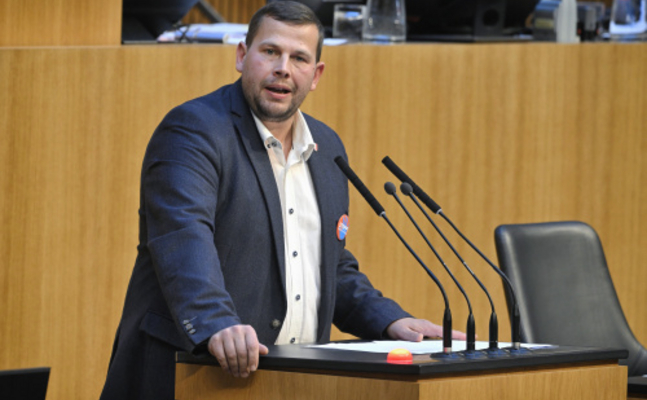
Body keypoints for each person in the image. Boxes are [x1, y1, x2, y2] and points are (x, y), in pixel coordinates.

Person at [99, 2, 465, 399]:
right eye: (270, 52)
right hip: (192, 377)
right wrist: (217, 323)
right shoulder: (194, 132)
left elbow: (329, 266)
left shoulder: (326, 150)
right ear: (242, 56)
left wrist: (391, 321)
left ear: (316, 75)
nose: (283, 68)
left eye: (299, 58)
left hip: (292, 383)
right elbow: (183, 242)